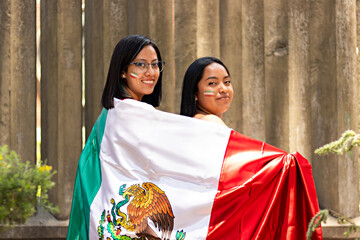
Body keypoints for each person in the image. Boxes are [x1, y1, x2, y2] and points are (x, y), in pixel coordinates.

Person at [101, 34, 165, 109]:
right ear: (123, 71)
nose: (151, 73)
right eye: (141, 64)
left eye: (155, 64)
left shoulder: (117, 106)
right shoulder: (126, 110)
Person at [180, 57, 233, 126]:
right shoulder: (210, 120)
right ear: (195, 92)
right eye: (212, 83)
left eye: (227, 82)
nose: (224, 89)